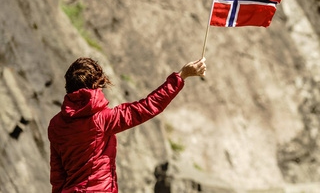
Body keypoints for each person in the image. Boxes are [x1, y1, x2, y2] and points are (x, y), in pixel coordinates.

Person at [48, 57, 206, 193]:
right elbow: (147, 107)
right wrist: (181, 76)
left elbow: (57, 176)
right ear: (96, 85)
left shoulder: (55, 125)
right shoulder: (103, 119)